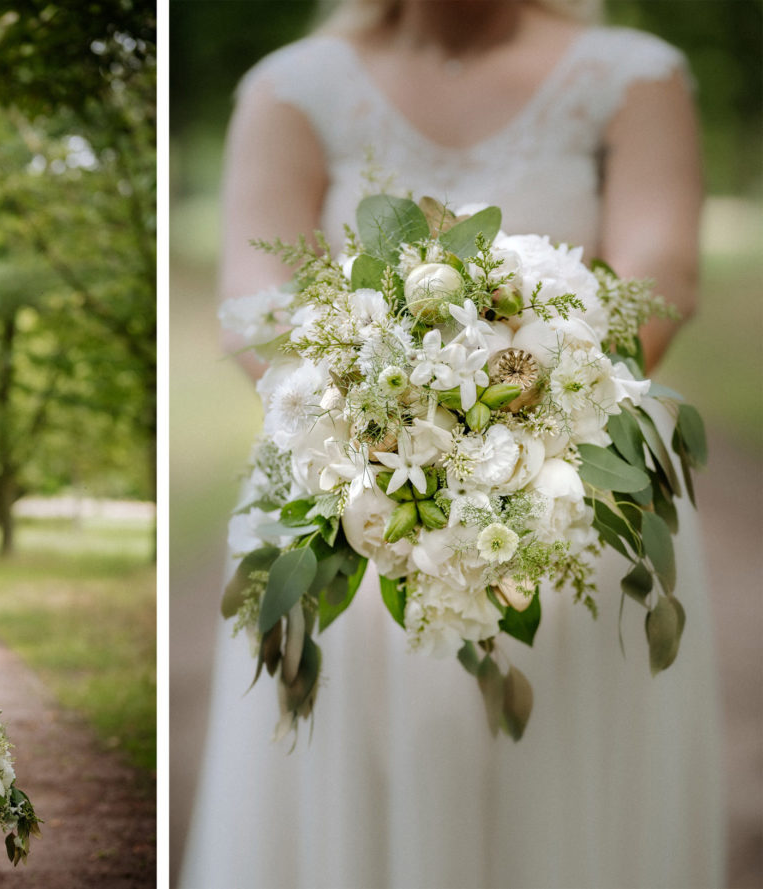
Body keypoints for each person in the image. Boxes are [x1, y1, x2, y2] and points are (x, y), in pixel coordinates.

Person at [179, 1, 725, 887]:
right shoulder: (291, 85)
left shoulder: (633, 74)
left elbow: (661, 275)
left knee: (557, 776)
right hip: (353, 483)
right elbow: (255, 296)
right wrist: (371, 420)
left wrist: (527, 423)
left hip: (574, 485)